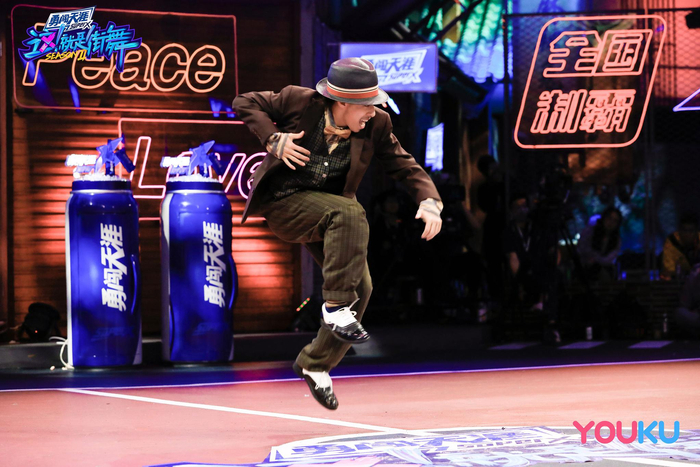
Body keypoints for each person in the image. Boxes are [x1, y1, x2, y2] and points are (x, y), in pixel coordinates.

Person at [232, 58, 443, 410]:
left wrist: (430, 201)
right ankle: (334, 306)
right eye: (367, 106)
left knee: (362, 287)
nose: (373, 112)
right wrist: (272, 138)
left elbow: (403, 163)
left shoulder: (377, 124)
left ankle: (315, 363)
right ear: (343, 102)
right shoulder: (298, 102)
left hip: (329, 216)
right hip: (285, 204)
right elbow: (244, 101)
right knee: (348, 212)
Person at [577, 207, 622, 282]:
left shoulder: (617, 240)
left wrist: (596, 259)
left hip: (603, 270)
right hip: (584, 267)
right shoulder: (589, 231)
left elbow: (609, 259)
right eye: (609, 218)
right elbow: (582, 249)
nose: (611, 222)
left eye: (615, 221)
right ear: (604, 218)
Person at [661, 212, 700, 280]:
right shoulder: (672, 241)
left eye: (691, 231)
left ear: (696, 231)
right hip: (679, 281)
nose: (687, 234)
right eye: (684, 230)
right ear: (679, 231)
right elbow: (669, 271)